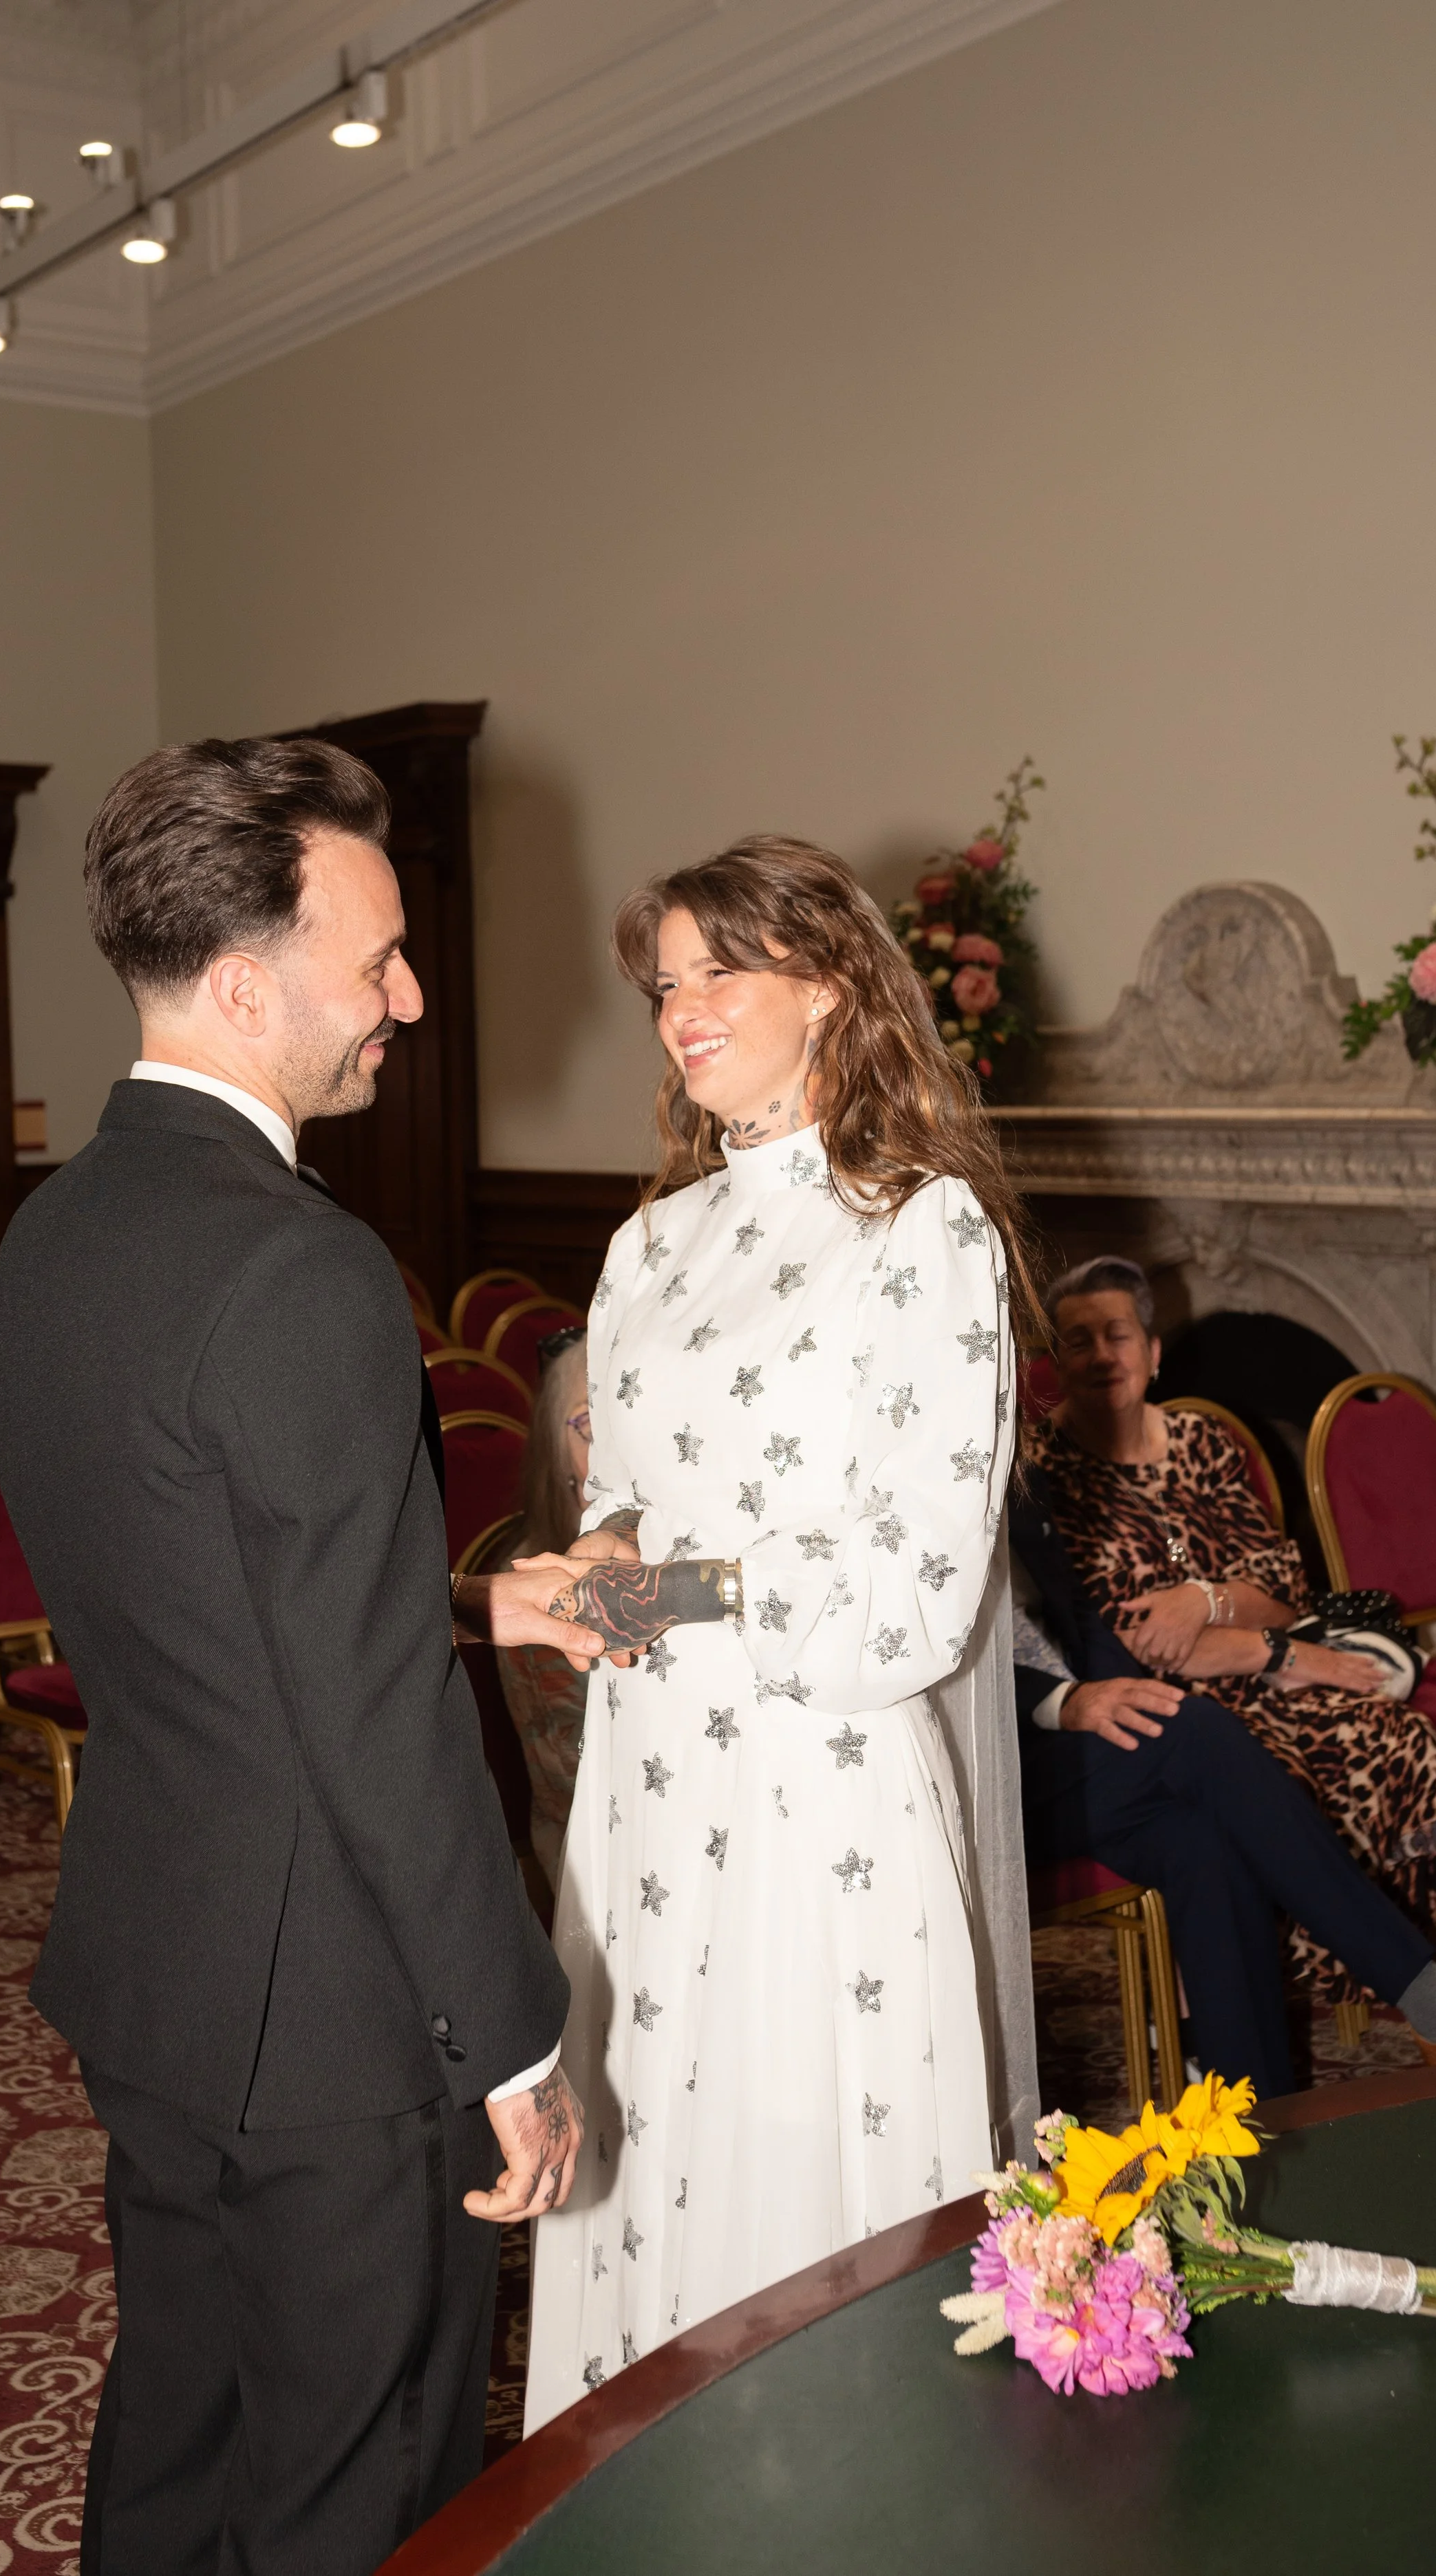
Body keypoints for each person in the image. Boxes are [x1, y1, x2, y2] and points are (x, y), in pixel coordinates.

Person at [0, 737, 606, 2576]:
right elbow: (369, 1717)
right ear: (247, 987)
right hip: (340, 2012)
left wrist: (487, 1596)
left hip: (156, 1964)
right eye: (378, 961)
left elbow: (210, 1587)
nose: (409, 998)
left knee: (179, 2440)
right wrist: (509, 2036)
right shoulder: (300, 1267)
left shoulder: (53, 1235)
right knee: (354, 2494)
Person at [524, 834, 1036, 2432]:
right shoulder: (644, 1249)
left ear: (828, 986)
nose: (682, 1010)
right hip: (648, 1782)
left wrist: (677, 1590)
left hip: (824, 1798)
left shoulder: (923, 1234)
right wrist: (597, 1561)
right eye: (665, 982)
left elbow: (916, 1592)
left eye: (719, 971)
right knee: (648, 2156)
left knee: (799, 2167)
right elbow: (620, 1512)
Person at [1028, 1257, 1436, 1997]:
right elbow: (1130, 1642)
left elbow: (1283, 1587)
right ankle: (1299, 1989)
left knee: (1401, 1740)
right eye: (1079, 1342)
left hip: (1269, 1675)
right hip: (1173, 1715)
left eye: (1119, 1334)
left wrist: (1204, 1600)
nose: (1103, 1356)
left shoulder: (1202, 1441)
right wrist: (1271, 1648)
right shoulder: (1046, 1473)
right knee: (1282, 1783)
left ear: (1153, 1350)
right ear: (1057, 1362)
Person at [1010, 1489, 1436, 2097]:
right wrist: (1064, 1702)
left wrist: (1123, 1688)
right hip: (987, 1771)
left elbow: (1075, 1628)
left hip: (1078, 1749)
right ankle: (1425, 1992)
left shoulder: (1020, 1482)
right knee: (1196, 1730)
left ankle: (1257, 2121)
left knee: (1201, 1838)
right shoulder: (915, 1482)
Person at [495, 1327, 592, 1890]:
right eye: (592, 1428)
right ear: (560, 1452)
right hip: (592, 1851)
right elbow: (569, 1790)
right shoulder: (535, 1586)